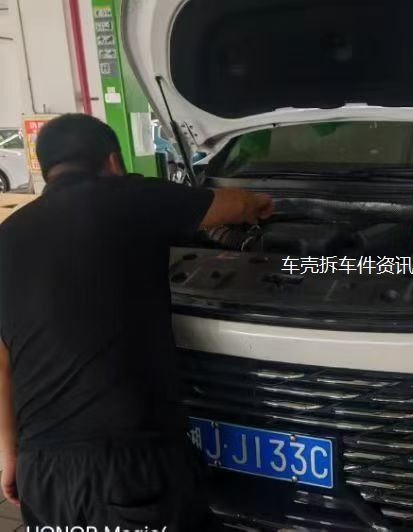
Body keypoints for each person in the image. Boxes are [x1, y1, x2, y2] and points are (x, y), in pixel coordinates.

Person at [0, 114, 273, 530]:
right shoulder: (127, 197)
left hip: (43, 470)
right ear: (113, 161)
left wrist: (10, 455)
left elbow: (1, 363)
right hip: (126, 464)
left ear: (45, 167)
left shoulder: (7, 237)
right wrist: (260, 205)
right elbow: (233, 205)